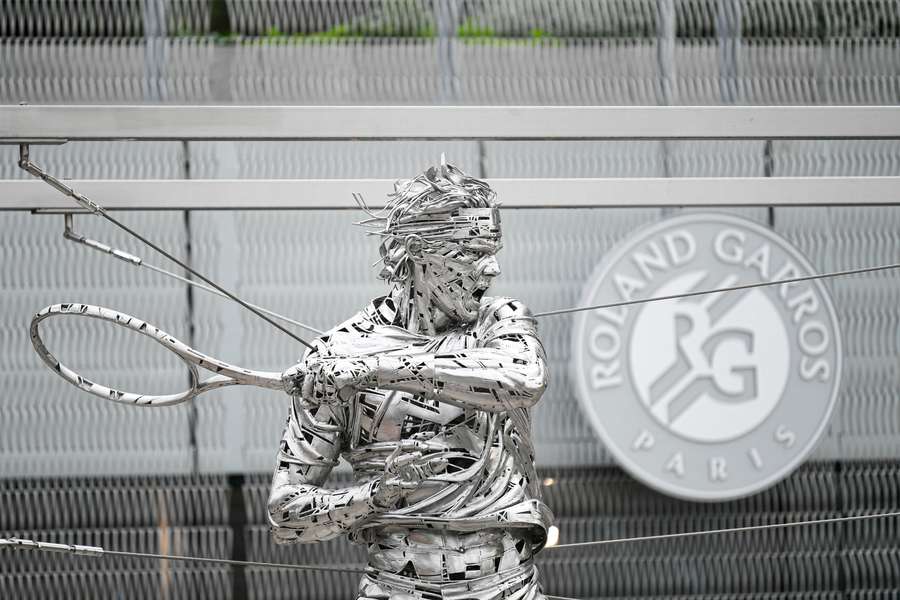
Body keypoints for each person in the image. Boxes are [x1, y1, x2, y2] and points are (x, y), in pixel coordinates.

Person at [268, 160, 552, 599]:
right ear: (419, 249)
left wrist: (376, 369)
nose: (492, 269)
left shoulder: (499, 322)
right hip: (396, 586)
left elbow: (523, 379)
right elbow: (287, 515)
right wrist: (377, 495)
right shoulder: (337, 351)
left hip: (509, 586)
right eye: (473, 252)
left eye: (493, 250)